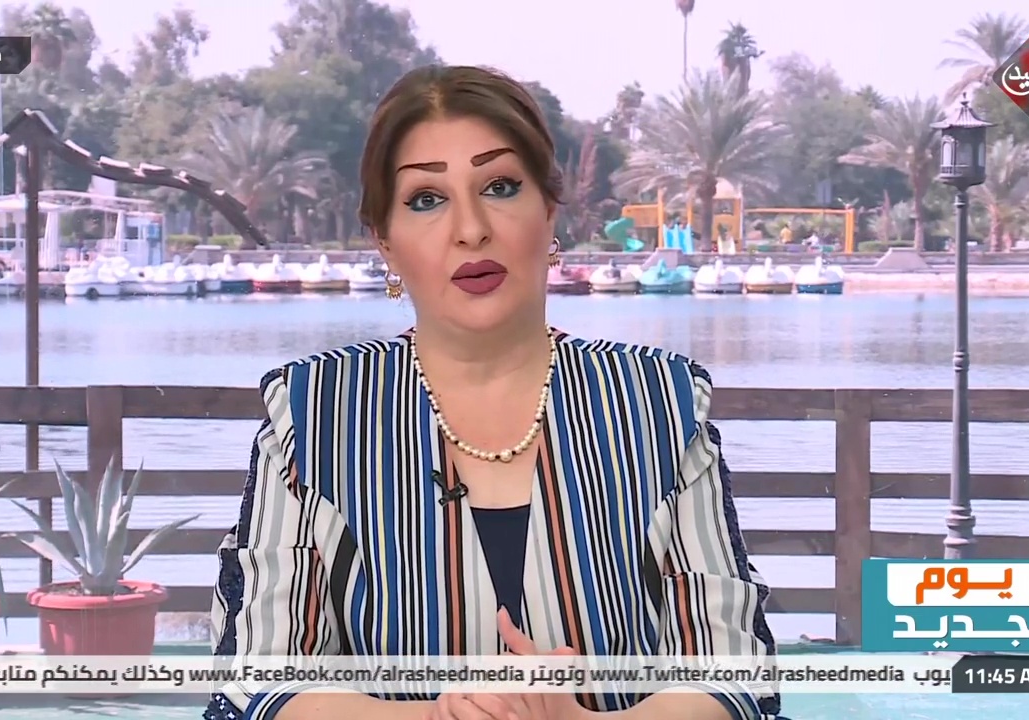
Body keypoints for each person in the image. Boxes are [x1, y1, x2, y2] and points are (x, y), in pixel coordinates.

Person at [204, 64, 782, 720]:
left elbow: (733, 677)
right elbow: (259, 678)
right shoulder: (314, 411)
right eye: (426, 198)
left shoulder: (660, 404)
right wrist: (434, 717)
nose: (471, 228)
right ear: (385, 242)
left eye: (500, 186)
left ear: (549, 211)